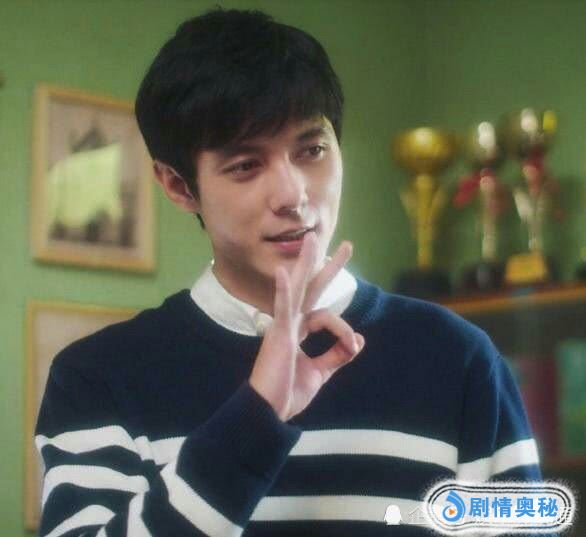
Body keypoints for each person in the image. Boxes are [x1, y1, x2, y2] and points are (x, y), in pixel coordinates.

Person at [35, 7, 541, 537]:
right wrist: (257, 415)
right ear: (179, 186)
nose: (293, 195)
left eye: (312, 150)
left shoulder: (458, 360)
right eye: (246, 165)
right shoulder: (98, 378)